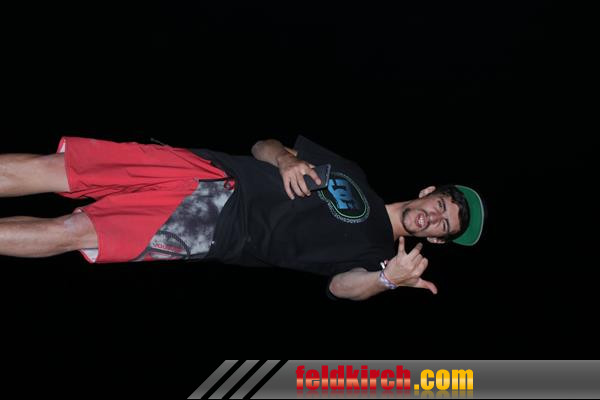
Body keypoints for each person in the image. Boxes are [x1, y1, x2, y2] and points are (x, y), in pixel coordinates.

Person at [0, 135, 484, 300]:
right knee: (58, 168)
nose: (434, 218)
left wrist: (388, 280)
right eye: (441, 205)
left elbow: (341, 288)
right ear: (428, 192)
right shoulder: (354, 172)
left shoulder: (380, 255)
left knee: (73, 231)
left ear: (438, 241)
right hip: (211, 168)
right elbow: (262, 145)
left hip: (213, 226)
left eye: (445, 225)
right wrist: (286, 160)